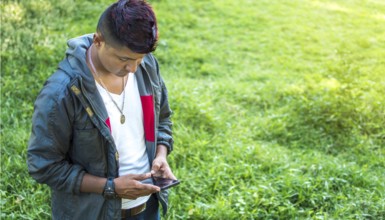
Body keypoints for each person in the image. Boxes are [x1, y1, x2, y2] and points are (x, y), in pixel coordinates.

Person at [27, 0, 176, 219]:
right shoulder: (62, 93)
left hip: (148, 209)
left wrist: (161, 154)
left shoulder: (147, 66)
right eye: (124, 59)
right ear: (98, 41)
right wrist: (111, 187)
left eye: (139, 59)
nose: (133, 68)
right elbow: (44, 165)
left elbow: (163, 119)